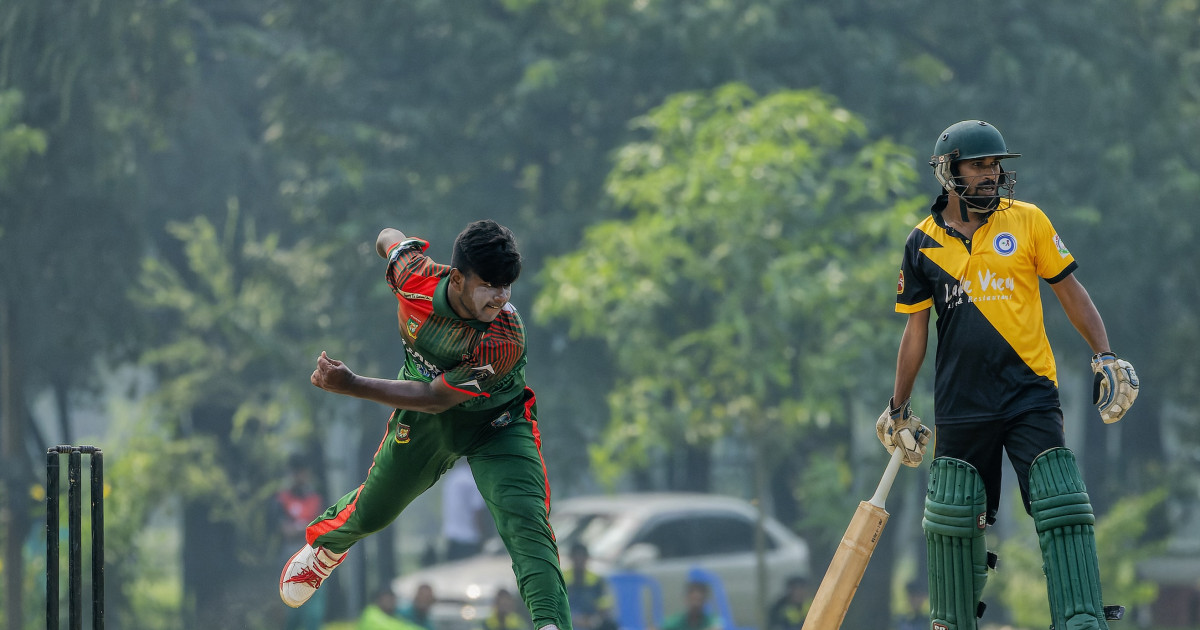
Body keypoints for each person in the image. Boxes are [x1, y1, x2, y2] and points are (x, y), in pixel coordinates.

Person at [878, 120, 1140, 630]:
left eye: (997, 165)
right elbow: (915, 333)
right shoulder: (922, 243)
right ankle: (953, 623)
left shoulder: (1029, 221)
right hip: (960, 403)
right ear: (949, 172)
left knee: (1059, 501)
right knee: (954, 519)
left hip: (1030, 394)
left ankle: (1081, 620)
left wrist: (1104, 355)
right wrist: (898, 408)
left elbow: (1071, 292)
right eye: (980, 165)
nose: (993, 174)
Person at [279, 220, 572, 630]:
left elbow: (437, 397)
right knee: (376, 509)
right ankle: (326, 550)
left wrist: (351, 384)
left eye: (507, 286)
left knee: (526, 524)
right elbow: (387, 236)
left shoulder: (504, 337)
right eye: (490, 285)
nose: (500, 298)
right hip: (428, 423)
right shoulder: (414, 275)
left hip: (497, 423)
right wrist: (390, 246)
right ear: (457, 277)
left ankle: (549, 624)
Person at [273, 453, 327, 630]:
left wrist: (300, 528)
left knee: (314, 612)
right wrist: (308, 527)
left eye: (302, 472)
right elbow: (286, 531)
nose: (300, 476)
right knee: (293, 611)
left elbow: (323, 527)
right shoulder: (282, 499)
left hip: (315, 559)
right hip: (290, 561)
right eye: (296, 472)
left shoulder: (316, 498)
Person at [442, 459, 492, 561]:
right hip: (469, 540)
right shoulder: (473, 480)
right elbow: (477, 512)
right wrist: (484, 538)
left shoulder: (453, 478)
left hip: (451, 538)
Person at [563, 543, 616, 630]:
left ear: (587, 558)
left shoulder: (597, 580)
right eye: (576, 557)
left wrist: (594, 620)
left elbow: (605, 607)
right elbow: (556, 606)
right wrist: (574, 619)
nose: (579, 560)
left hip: (591, 621)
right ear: (571, 558)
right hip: (568, 620)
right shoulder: (562, 579)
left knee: (610, 625)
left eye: (582, 557)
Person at [359, 587, 425, 630]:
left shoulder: (393, 615)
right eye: (387, 599)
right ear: (378, 600)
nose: (391, 602)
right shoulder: (371, 615)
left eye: (393, 598)